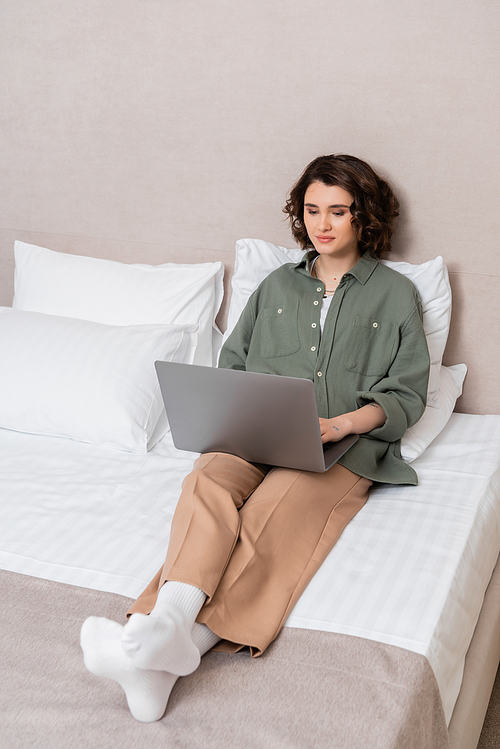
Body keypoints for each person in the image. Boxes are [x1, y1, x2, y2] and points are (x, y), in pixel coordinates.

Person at [80, 154, 430, 722]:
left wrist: (340, 424)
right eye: (313, 210)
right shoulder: (275, 286)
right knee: (209, 479)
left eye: (338, 211)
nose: (324, 224)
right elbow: (234, 362)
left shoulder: (393, 294)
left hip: (343, 446)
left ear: (363, 217)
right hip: (257, 434)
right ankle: (167, 627)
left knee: (270, 511)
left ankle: (161, 651)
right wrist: (232, 419)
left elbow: (407, 395)